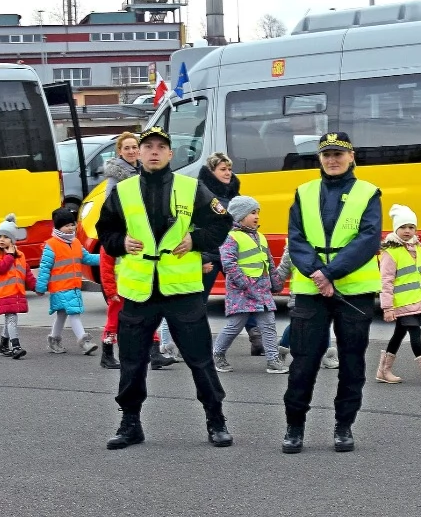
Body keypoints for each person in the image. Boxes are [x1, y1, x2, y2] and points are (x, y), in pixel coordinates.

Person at [95, 125, 233, 449]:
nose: (153, 151)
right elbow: (105, 231)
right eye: (147, 147)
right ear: (138, 153)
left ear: (170, 154)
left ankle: (216, 420)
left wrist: (196, 239)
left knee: (200, 360)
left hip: (181, 291)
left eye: (160, 146)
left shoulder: (191, 188)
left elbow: (222, 222)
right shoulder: (123, 191)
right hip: (139, 291)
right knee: (131, 362)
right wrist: (119, 241)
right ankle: (130, 424)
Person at [282, 132, 382, 455]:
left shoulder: (368, 193)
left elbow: (367, 239)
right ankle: (294, 427)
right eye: (326, 154)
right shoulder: (303, 192)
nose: (332, 159)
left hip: (354, 291)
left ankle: (344, 426)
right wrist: (316, 272)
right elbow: (296, 239)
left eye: (339, 153)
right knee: (304, 360)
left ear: (351, 156)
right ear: (320, 159)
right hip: (311, 288)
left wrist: (330, 272)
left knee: (352, 361)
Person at [99, 131, 174, 370]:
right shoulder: (117, 181)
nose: (131, 151)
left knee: (148, 312)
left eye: (134, 147)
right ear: (120, 152)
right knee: (115, 318)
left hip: (141, 260)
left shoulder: (145, 175)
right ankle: (107, 352)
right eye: (127, 148)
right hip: (124, 257)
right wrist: (111, 289)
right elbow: (111, 217)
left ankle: (154, 354)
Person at [212, 195, 289, 374]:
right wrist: (245, 284)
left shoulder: (260, 237)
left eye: (258, 213)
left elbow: (268, 262)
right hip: (242, 292)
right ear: (239, 216)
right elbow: (229, 264)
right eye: (252, 212)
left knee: (268, 325)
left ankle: (273, 361)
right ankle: (218, 354)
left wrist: (276, 283)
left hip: (262, 290)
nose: (257, 216)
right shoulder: (231, 237)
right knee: (234, 326)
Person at [376, 204, 421, 385]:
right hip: (401, 304)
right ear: (396, 229)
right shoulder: (390, 252)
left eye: (411, 227)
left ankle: (383, 371)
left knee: (398, 335)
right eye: (403, 227)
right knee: (415, 335)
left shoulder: (416, 247)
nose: (407, 231)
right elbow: (386, 282)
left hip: (415, 303)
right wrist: (387, 307)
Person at [198, 151, 262, 356]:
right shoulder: (201, 193)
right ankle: (193, 340)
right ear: (211, 171)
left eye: (229, 169)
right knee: (198, 300)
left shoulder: (235, 194)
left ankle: (256, 337)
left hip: (231, 254)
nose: (227, 173)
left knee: (244, 294)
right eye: (222, 169)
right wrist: (201, 255)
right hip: (209, 253)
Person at [38, 207, 101, 355]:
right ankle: (84, 341)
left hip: (72, 286)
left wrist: (105, 258)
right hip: (60, 287)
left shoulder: (76, 242)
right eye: (66, 225)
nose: (71, 228)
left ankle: (54, 339)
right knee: (74, 313)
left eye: (72, 224)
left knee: (62, 314)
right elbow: (44, 268)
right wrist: (40, 287)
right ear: (58, 227)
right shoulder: (51, 245)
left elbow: (87, 258)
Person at [0, 213, 35, 360]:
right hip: (3, 292)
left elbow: (27, 273)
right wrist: (9, 256)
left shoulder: (19, 255)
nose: (1, 240)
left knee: (9, 319)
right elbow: (0, 268)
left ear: (12, 240)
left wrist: (36, 287)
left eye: (6, 237)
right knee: (12, 318)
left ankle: (3, 344)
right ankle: (16, 346)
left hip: (16, 292)